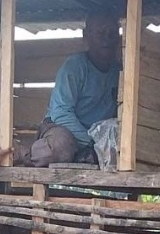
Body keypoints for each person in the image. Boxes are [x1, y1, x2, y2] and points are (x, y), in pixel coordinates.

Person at [14, 11, 122, 167]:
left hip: (97, 140)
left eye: (112, 33)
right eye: (100, 32)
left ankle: (84, 156)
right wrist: (89, 142)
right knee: (60, 146)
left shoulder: (119, 72)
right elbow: (60, 113)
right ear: (86, 36)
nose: (107, 38)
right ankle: (23, 155)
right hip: (63, 129)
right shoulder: (75, 67)